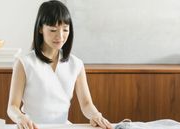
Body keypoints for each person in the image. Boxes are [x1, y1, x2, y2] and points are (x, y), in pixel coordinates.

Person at [7, 1, 112, 129]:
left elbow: (86, 103)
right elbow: (12, 106)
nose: (60, 36)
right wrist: (20, 117)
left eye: (65, 30)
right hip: (32, 127)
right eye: (53, 30)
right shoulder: (24, 63)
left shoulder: (76, 64)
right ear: (40, 28)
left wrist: (95, 115)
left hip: (62, 126)